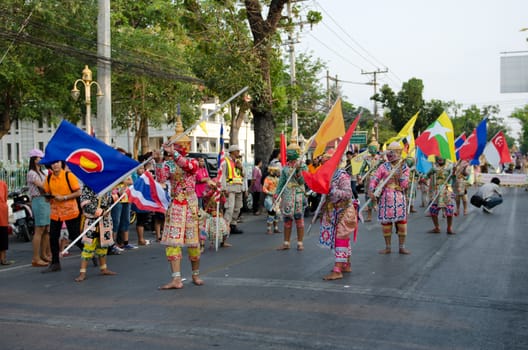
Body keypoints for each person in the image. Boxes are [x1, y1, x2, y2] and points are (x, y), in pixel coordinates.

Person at [156, 117, 204, 289]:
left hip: (190, 204)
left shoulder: (193, 161)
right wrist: (159, 161)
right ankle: (176, 279)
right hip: (176, 204)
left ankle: (195, 275)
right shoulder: (169, 163)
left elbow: (188, 167)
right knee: (172, 242)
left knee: (193, 242)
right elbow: (161, 178)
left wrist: (173, 154)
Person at [318, 149, 358, 280]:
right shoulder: (327, 175)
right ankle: (346, 264)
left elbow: (347, 193)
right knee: (342, 238)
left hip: (344, 210)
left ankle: (337, 270)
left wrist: (332, 190)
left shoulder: (341, 175)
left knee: (340, 238)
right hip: (333, 210)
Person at [369, 142, 411, 254]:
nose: (389, 154)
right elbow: (375, 178)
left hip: (399, 197)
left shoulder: (405, 167)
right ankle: (388, 247)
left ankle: (402, 247)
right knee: (386, 224)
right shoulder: (383, 166)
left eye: (392, 152)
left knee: (402, 223)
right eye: (389, 152)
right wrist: (371, 189)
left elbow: (404, 185)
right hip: (385, 197)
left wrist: (401, 172)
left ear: (398, 153)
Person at [42, 160, 83, 273]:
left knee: (75, 236)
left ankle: (88, 252)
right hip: (56, 213)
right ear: (50, 165)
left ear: (62, 164)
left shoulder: (68, 176)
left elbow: (78, 192)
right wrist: (48, 197)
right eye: (53, 163)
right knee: (53, 237)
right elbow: (47, 194)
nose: (55, 165)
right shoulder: (49, 178)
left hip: (70, 211)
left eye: (57, 162)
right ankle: (55, 263)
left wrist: (64, 198)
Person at [75, 186, 117, 282]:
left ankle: (103, 268)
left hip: (105, 222)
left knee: (103, 247)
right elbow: (85, 205)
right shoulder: (88, 187)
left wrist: (118, 195)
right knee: (88, 247)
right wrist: (100, 212)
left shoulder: (106, 186)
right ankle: (82, 273)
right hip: (92, 222)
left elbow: (109, 200)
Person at [275, 144, 308, 251]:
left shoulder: (303, 166)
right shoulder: (285, 168)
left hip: (298, 194)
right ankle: (286, 242)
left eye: (291, 151)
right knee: (287, 218)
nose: (289, 153)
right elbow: (281, 182)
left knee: (299, 218)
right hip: (288, 194)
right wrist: (277, 194)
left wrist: (298, 171)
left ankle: (300, 243)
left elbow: (302, 181)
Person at [26, 149, 51, 267]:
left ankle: (44, 254)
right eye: (40, 158)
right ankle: (36, 258)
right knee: (39, 229)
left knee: (46, 229)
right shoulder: (32, 173)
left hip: (45, 200)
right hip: (39, 200)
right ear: (34, 159)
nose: (42, 160)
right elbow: (43, 186)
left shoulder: (42, 172)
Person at [426, 156, 456, 234]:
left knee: (449, 210)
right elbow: (426, 176)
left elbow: (454, 179)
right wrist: (423, 179)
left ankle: (449, 228)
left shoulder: (449, 168)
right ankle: (437, 227)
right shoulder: (434, 168)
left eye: (442, 157)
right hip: (437, 191)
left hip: (447, 190)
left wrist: (453, 174)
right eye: (438, 158)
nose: (440, 159)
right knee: (433, 210)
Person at [221, 145, 244, 234]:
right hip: (230, 188)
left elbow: (244, 174)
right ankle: (226, 227)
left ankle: (233, 225)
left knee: (238, 208)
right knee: (230, 208)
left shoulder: (238, 162)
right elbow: (223, 175)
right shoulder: (226, 161)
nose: (238, 152)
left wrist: (240, 167)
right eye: (237, 151)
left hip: (238, 188)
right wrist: (223, 188)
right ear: (232, 152)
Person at [359, 135, 382, 222]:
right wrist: (360, 176)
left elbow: (384, 169)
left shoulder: (380, 158)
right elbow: (362, 169)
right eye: (371, 148)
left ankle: (376, 201)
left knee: (378, 193)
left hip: (378, 178)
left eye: (374, 148)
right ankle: (369, 215)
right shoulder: (367, 158)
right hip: (369, 179)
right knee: (368, 196)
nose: (372, 150)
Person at [262, 165, 281, 235]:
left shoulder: (278, 179)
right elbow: (264, 189)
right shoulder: (267, 179)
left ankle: (276, 228)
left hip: (277, 198)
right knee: (271, 213)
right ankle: (269, 229)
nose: (277, 172)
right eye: (276, 171)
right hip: (270, 198)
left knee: (277, 214)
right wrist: (271, 193)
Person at [0, 179, 12, 266]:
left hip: (2, 211)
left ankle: (3, 258)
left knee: (3, 235)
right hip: (2, 210)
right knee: (3, 236)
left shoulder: (3, 183)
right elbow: (5, 197)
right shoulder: (3, 183)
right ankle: (3, 259)